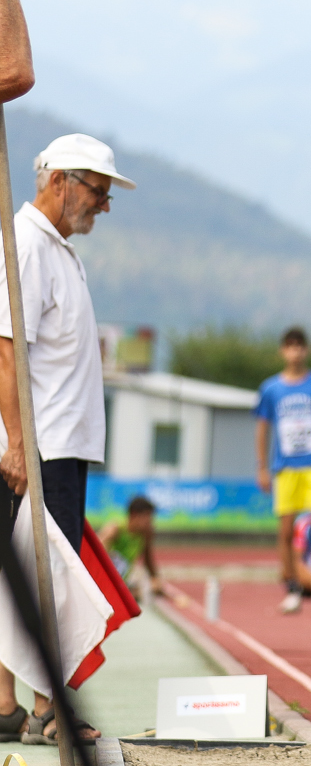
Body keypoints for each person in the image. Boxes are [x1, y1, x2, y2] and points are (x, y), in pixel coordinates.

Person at [0, 130, 132, 746]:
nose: (104, 205)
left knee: (25, 580)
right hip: (42, 445)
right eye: (98, 192)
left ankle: (7, 706)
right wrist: (17, 443)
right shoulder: (26, 243)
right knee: (48, 585)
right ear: (59, 182)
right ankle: (50, 710)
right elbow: (6, 351)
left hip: (58, 443)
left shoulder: (56, 248)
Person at [255, 327, 311, 614]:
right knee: (285, 530)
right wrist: (262, 467)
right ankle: (292, 587)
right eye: (290, 346)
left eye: (300, 346)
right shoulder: (271, 389)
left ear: (307, 350)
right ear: (283, 351)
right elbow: (262, 428)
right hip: (286, 467)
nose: (295, 352)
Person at [98, 495, 163, 598]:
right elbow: (96, 553)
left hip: (120, 584)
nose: (150, 522)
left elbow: (148, 560)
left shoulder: (145, 535)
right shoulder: (115, 530)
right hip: (103, 583)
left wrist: (155, 578)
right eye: (147, 517)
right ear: (134, 515)